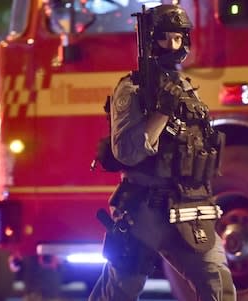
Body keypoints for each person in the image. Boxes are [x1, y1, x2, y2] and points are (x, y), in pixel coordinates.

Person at [88, 4, 236, 301]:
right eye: (164, 38)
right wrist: (161, 114)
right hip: (145, 208)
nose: (171, 45)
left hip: (190, 206)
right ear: (152, 40)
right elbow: (127, 152)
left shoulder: (187, 89)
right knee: (119, 291)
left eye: (177, 38)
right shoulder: (131, 89)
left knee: (218, 285)